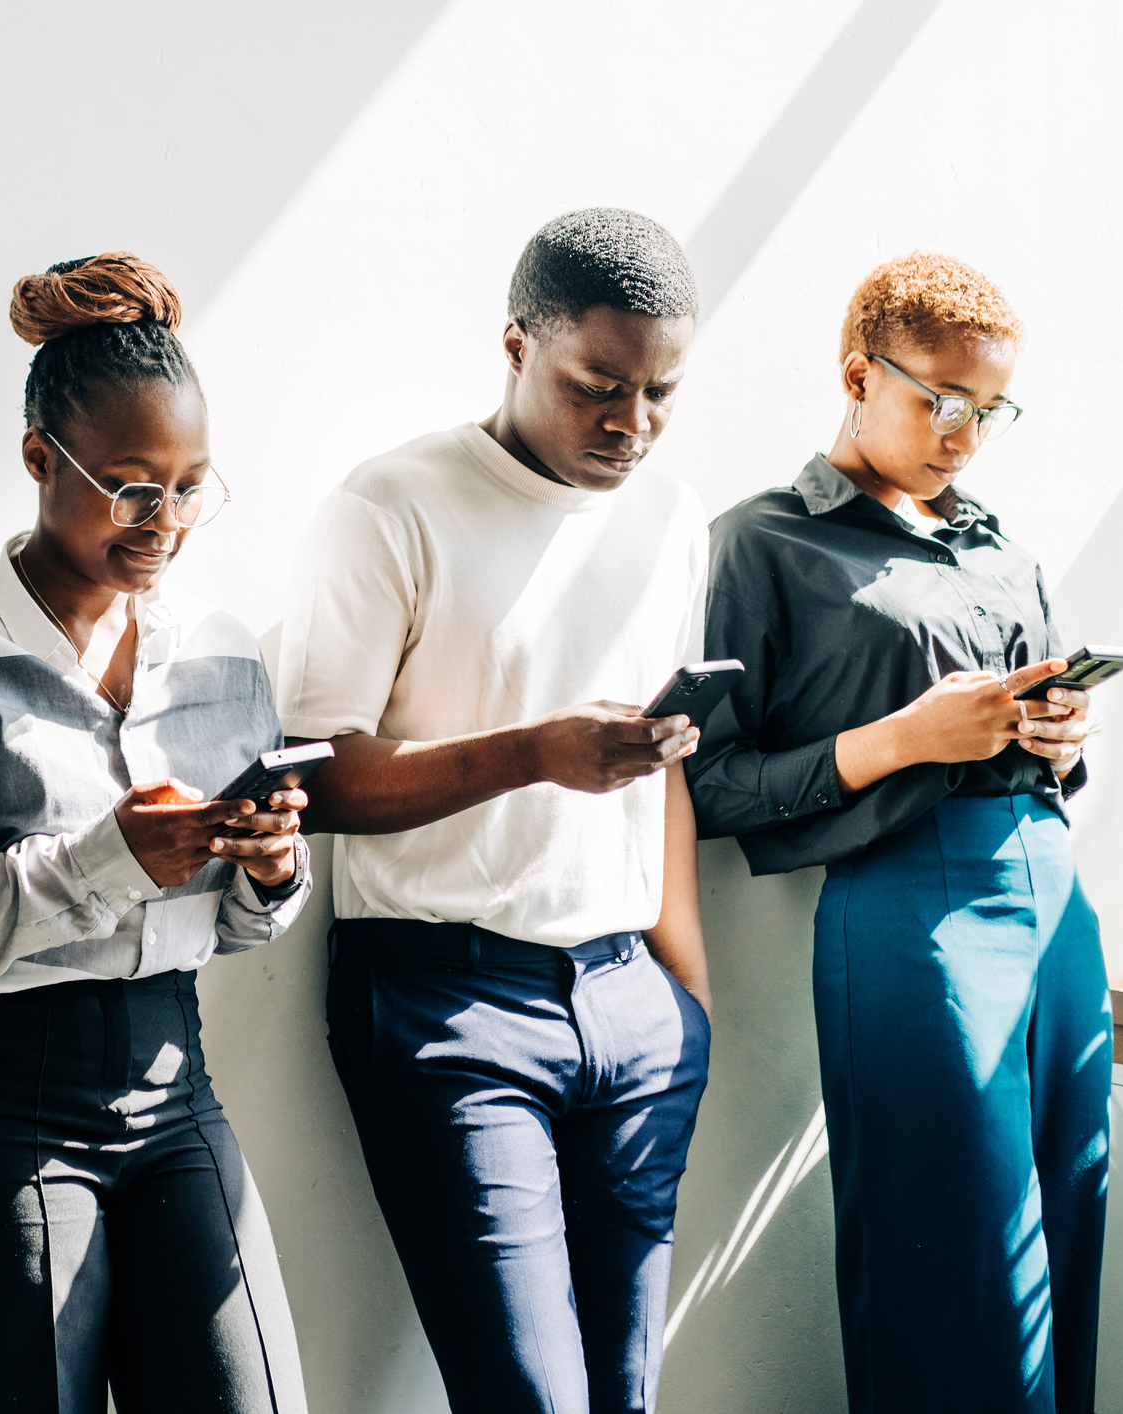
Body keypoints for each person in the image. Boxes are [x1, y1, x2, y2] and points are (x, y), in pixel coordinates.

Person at [0, 253, 312, 1414]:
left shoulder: (224, 653)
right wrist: (105, 864)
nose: (167, 523)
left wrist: (267, 868)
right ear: (41, 457)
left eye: (192, 488)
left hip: (174, 1082)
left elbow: (238, 924)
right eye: (133, 486)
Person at [279, 208, 712, 1413]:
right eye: (600, 386)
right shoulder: (390, 507)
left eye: (662, 391)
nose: (632, 423)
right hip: (444, 999)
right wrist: (536, 752)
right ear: (516, 345)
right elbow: (312, 777)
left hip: (632, 1000)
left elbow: (665, 762)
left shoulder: (673, 519)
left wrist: (689, 997)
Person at [687, 253, 1104, 1413]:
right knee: (953, 1247)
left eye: (991, 409)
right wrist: (904, 738)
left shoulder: (998, 546)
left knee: (1067, 1224)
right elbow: (707, 784)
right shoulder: (763, 542)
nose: (965, 433)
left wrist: (1063, 738)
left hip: (1057, 898)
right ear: (857, 373)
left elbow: (1049, 744)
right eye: (942, 399)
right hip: (909, 906)